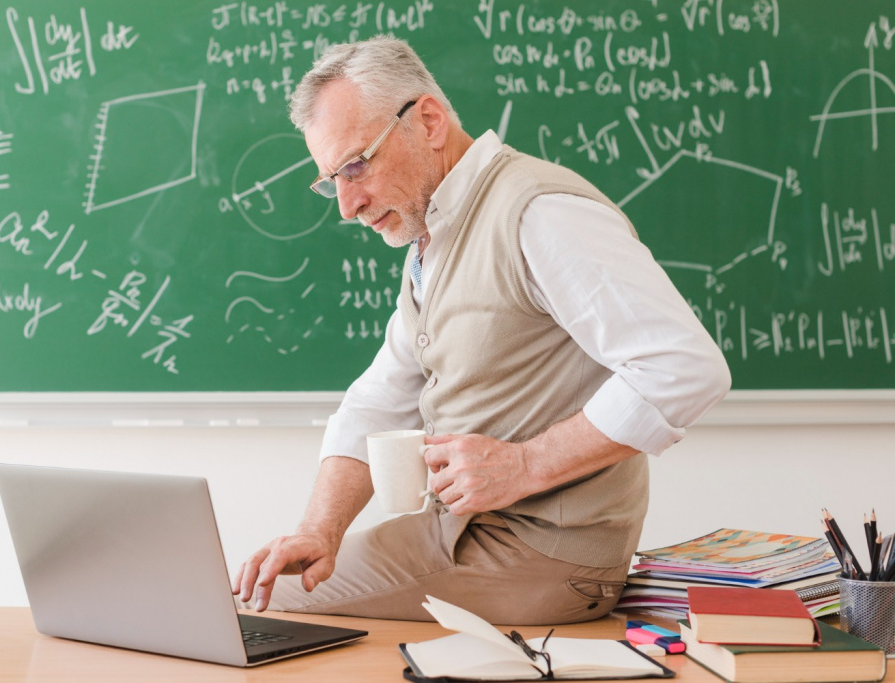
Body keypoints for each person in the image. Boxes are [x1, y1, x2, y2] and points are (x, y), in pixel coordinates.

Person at [231, 35, 731, 625]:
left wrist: (526, 465)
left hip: (543, 559)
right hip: (467, 538)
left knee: (257, 609)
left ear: (429, 121)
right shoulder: (433, 239)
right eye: (331, 180)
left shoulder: (539, 213)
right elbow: (379, 402)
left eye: (356, 165)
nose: (345, 205)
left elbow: (685, 368)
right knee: (248, 597)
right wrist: (319, 529)